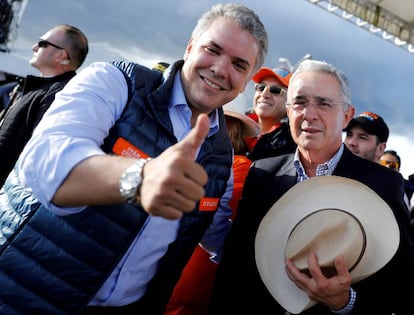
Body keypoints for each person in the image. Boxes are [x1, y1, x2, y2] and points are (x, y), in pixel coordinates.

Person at [0, 3, 268, 315]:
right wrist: (139, 177)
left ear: (247, 79)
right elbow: (44, 166)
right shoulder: (115, 82)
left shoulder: (221, 155)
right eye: (213, 49)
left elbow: (215, 237)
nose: (221, 69)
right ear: (191, 46)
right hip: (21, 293)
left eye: (238, 64)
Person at [209, 59, 414, 314]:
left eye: (324, 103)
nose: (310, 114)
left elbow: (402, 285)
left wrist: (344, 302)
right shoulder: (262, 172)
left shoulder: (383, 185)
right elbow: (236, 267)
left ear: (346, 116)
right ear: (288, 110)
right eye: (300, 102)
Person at [164, 95, 258, 315]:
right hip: (189, 263)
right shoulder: (237, 165)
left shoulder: (238, 165)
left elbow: (216, 220)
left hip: (194, 265)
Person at [0, 24, 89, 186]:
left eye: (42, 44)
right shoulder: (36, 89)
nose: (34, 47)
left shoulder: (61, 96)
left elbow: (36, 157)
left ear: (61, 56)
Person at [245, 66, 296, 161]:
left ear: (290, 102)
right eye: (261, 87)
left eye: (275, 90)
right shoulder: (234, 127)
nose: (264, 94)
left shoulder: (294, 145)